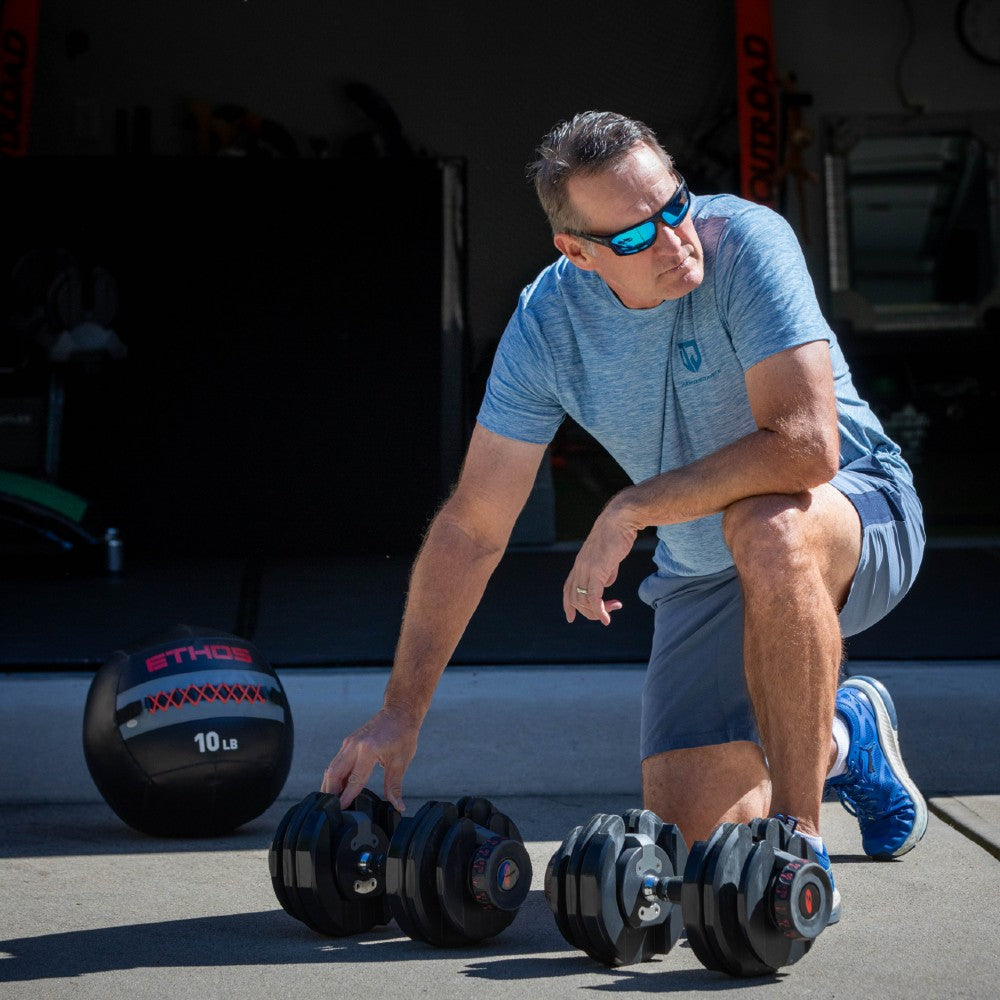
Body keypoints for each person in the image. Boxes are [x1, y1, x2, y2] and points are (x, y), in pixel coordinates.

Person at [321, 111, 927, 919]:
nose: (677, 241)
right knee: (691, 853)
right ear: (576, 252)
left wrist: (632, 507)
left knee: (767, 525)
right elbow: (473, 525)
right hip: (699, 565)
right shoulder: (547, 327)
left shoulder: (747, 243)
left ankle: (801, 842)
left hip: (852, 514)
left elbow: (806, 449)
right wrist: (401, 712)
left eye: (674, 206)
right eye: (637, 236)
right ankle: (848, 736)